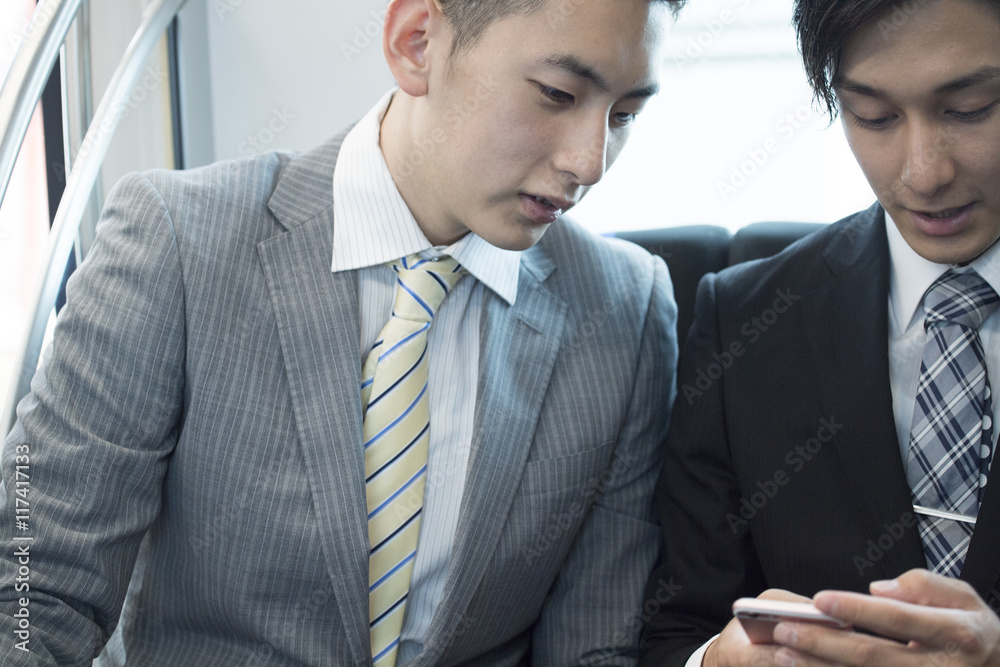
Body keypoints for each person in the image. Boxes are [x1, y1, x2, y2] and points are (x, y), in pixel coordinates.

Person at [0, 0, 683, 664]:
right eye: (558, 94)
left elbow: (595, 645)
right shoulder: (177, 244)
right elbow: (33, 593)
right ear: (418, 42)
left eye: (624, 114)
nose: (590, 161)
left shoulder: (625, 309)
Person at [639, 0, 1000, 664]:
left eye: (971, 108)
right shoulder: (742, 321)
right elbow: (673, 631)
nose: (924, 172)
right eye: (874, 117)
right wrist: (717, 661)